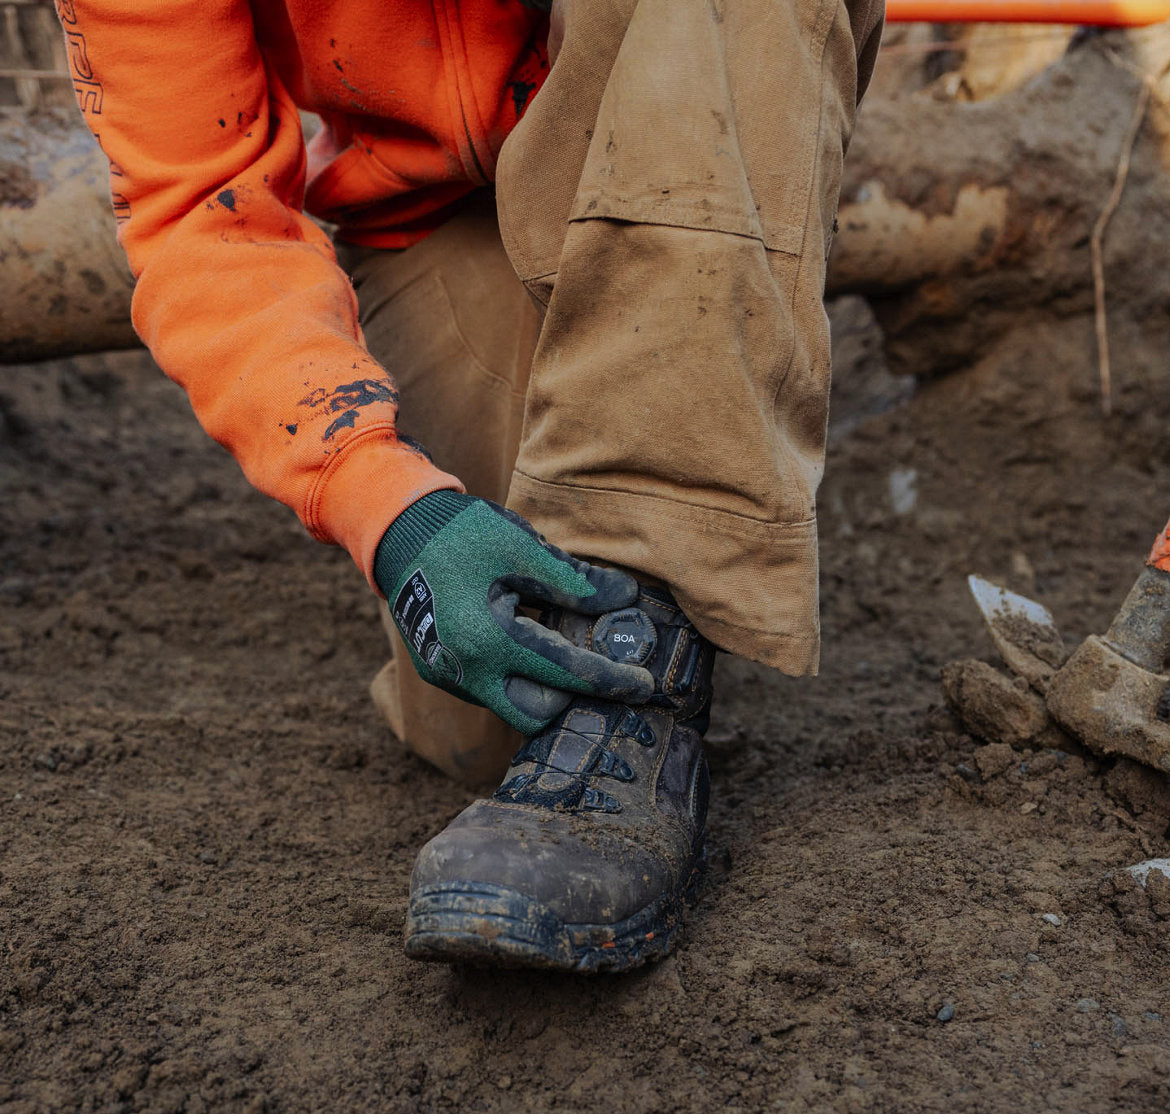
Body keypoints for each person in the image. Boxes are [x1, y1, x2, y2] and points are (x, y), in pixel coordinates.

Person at [57, 0, 885, 972]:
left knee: (601, 651)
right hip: (433, 217)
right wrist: (388, 505)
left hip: (673, 90)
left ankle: (641, 669)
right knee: (500, 706)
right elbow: (204, 212)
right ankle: (653, 565)